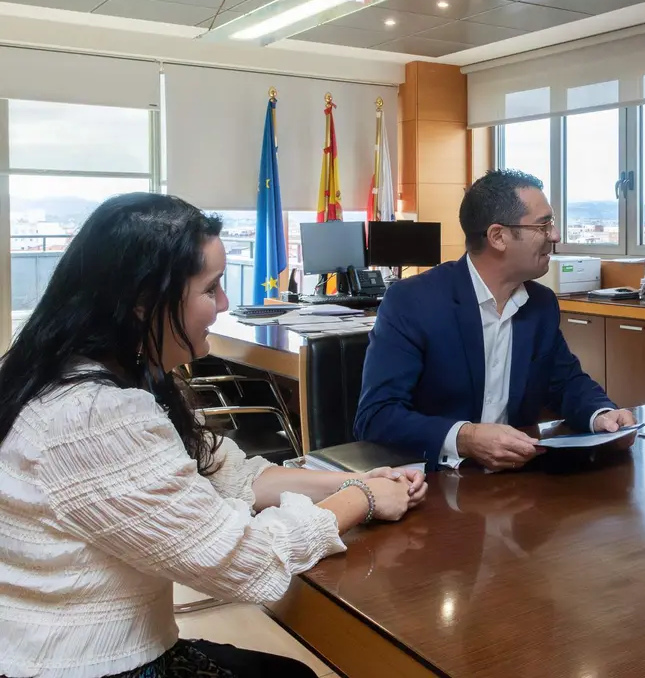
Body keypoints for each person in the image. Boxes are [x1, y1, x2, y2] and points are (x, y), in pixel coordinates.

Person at [0, 194, 428, 678]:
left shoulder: (93, 374)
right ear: (143, 303)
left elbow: (226, 473)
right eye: (212, 289)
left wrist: (352, 481)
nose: (224, 304)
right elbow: (247, 562)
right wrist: (361, 499)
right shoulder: (91, 415)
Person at [354, 169, 637, 472]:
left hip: (515, 484)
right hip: (432, 481)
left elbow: (565, 383)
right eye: (544, 225)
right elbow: (376, 416)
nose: (554, 236)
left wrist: (602, 414)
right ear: (498, 237)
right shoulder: (414, 302)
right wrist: (465, 437)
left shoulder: (540, 304)